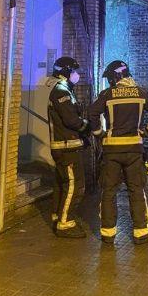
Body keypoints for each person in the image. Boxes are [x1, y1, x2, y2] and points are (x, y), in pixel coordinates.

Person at [90, 60, 148, 245]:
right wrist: (147, 132)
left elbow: (92, 113)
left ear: (115, 77)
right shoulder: (140, 93)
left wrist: (99, 134)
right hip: (134, 151)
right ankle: (141, 232)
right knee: (136, 190)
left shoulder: (107, 95)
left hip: (112, 151)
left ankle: (107, 234)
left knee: (109, 191)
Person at [45, 56, 91, 238]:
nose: (77, 74)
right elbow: (71, 120)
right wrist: (86, 126)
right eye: (74, 71)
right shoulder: (61, 92)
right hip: (66, 148)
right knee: (75, 185)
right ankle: (65, 224)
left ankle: (58, 216)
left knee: (62, 183)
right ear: (65, 73)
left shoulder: (63, 90)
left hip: (65, 147)